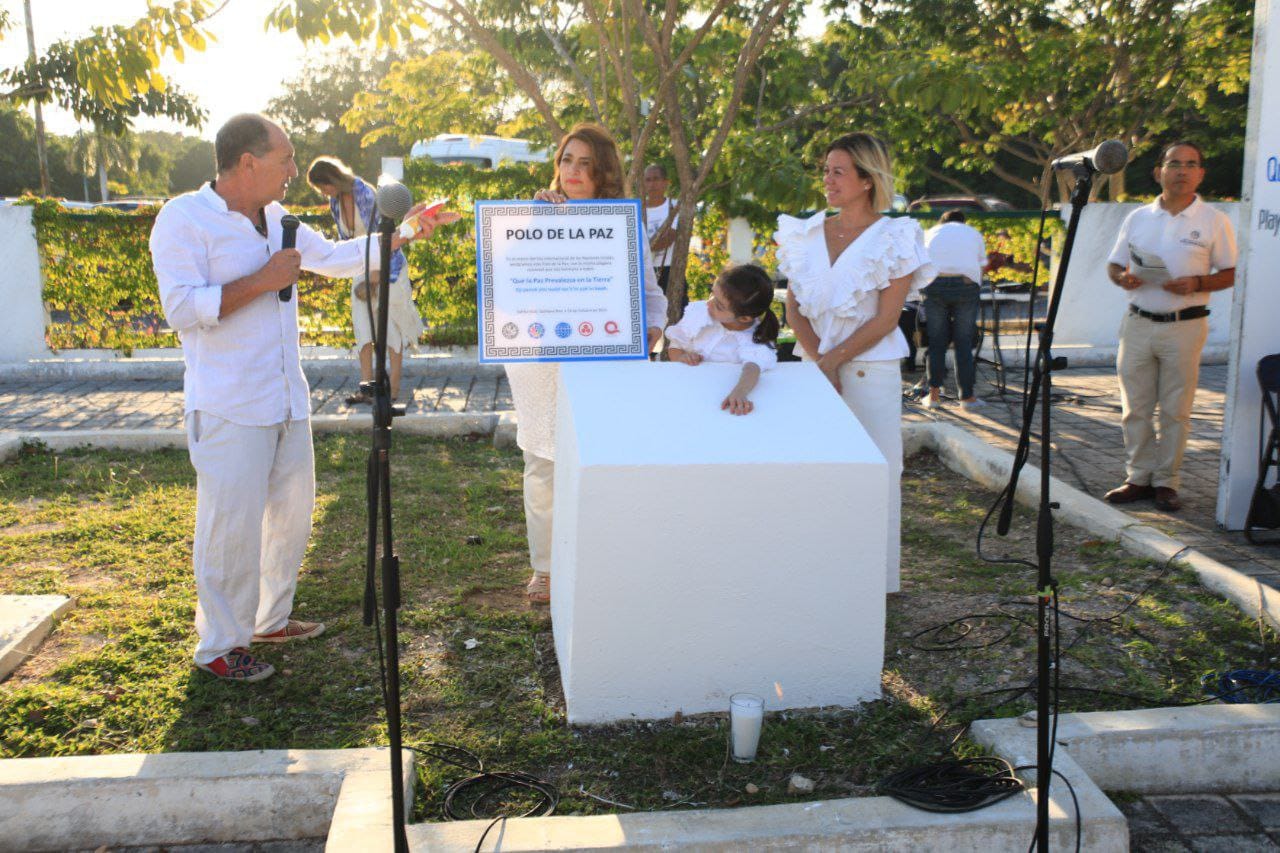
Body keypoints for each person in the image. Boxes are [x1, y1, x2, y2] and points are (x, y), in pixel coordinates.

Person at [150, 113, 455, 682]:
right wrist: (264, 280)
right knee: (229, 527)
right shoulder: (183, 219)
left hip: (287, 399)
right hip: (228, 405)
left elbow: (338, 259)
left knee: (289, 519)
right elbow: (182, 309)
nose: (295, 170)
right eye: (286, 159)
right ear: (247, 163)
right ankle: (220, 646)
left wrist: (403, 232)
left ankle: (269, 619)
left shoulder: (280, 220)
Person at [506, 123, 668, 604]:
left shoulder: (621, 221)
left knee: (601, 458)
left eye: (584, 163)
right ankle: (546, 569)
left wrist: (654, 327)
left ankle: (602, 557)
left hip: (604, 358)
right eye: (566, 160)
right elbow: (510, 280)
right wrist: (537, 222)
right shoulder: (531, 214)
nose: (572, 171)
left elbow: (649, 292)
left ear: (603, 172)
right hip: (541, 359)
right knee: (543, 460)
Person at [775, 132, 936, 593]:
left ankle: (873, 582)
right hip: (812, 372)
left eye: (838, 171)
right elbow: (793, 307)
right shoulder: (804, 232)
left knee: (876, 474)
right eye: (825, 170)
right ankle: (815, 572)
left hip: (870, 373)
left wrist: (835, 361)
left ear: (867, 179)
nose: (827, 179)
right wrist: (821, 363)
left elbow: (887, 318)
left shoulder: (897, 236)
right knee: (812, 470)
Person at [1103, 140, 1237, 512]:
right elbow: (1114, 264)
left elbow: (1229, 274)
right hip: (1138, 322)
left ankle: (1167, 481)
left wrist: (1196, 284)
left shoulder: (1214, 220)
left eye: (1190, 164)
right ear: (1158, 171)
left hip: (1185, 325)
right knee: (1135, 407)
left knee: (1176, 409)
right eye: (1174, 164)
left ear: (1201, 173)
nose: (1182, 171)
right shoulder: (1138, 218)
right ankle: (1138, 477)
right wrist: (1123, 278)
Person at [307, 156, 425, 404]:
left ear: (332, 178)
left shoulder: (366, 193)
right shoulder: (335, 202)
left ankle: (392, 391)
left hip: (386, 266)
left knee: (391, 329)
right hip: (360, 265)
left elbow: (383, 235)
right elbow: (345, 240)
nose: (323, 192)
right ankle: (367, 389)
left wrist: (374, 277)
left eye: (323, 186)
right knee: (362, 328)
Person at [665, 263, 780, 415]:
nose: (709, 303)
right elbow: (675, 346)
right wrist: (682, 357)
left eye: (719, 306)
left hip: (719, 401)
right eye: (712, 294)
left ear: (745, 318)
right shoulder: (699, 315)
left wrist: (740, 392)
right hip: (688, 395)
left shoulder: (756, 336)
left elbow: (753, 368)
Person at [921, 210, 989, 410]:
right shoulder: (972, 232)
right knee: (963, 343)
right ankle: (967, 398)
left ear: (942, 221)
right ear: (963, 221)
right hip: (965, 285)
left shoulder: (931, 232)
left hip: (934, 284)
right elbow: (981, 265)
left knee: (936, 342)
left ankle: (933, 396)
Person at [642, 163, 680, 303]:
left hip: (669, 271)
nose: (652, 184)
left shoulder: (675, 206)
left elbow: (668, 238)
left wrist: (641, 248)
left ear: (666, 182)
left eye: (656, 179)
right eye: (648, 180)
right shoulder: (636, 209)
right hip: (644, 271)